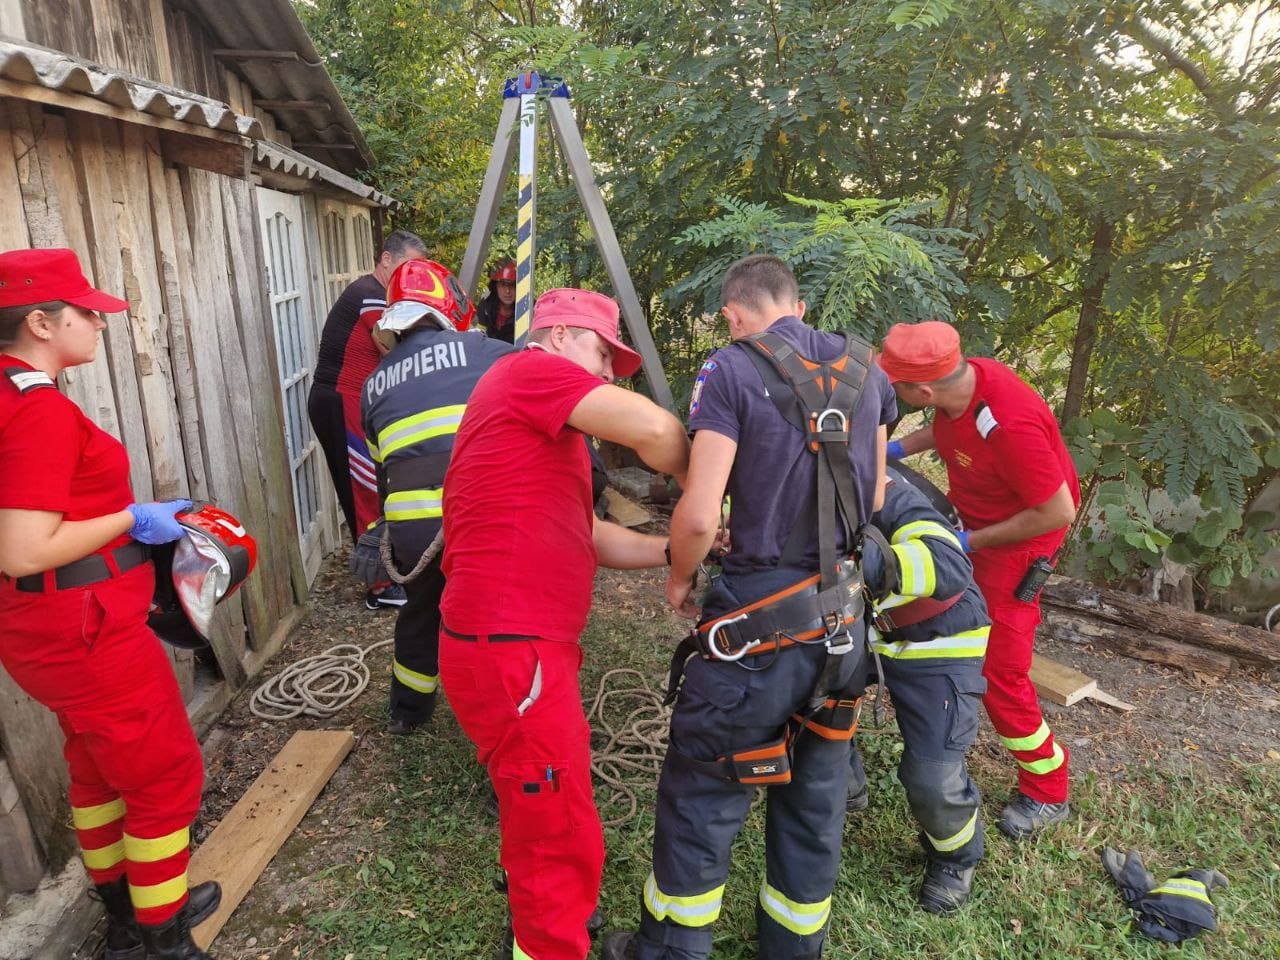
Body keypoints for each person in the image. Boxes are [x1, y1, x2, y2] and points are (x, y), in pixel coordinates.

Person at [605, 254, 896, 960]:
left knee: (703, 792)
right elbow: (875, 497)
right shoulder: (870, 370)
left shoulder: (731, 368)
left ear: (734, 315)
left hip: (757, 636)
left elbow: (700, 514)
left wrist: (680, 578)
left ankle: (671, 951)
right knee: (815, 796)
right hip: (843, 628)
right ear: (797, 305)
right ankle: (792, 949)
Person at [438, 288, 690, 960]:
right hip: (512, 648)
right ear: (559, 335)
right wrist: (718, 467)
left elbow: (589, 534)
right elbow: (658, 433)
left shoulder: (544, 429)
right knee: (558, 830)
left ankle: (544, 919)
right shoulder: (531, 372)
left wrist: (673, 550)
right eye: (602, 352)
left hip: (519, 647)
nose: (607, 372)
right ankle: (549, 940)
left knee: (547, 811)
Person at [0, 248, 221, 960]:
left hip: (42, 630)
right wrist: (133, 518)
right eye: (86, 313)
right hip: (86, 631)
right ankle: (164, 937)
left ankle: (128, 917)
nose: (99, 324)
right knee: (163, 778)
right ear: (41, 322)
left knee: (96, 768)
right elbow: (23, 548)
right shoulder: (37, 410)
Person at [878, 320, 1080, 839]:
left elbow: (1058, 511)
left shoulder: (1010, 423)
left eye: (897, 386)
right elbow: (950, 429)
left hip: (1015, 547)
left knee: (1000, 669)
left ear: (924, 391)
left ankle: (1048, 788)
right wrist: (893, 451)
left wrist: (967, 543)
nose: (893, 392)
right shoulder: (965, 383)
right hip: (977, 522)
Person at [355, 258, 513, 734]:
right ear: (451, 305)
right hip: (480, 520)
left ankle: (408, 713)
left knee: (421, 611)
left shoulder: (372, 386)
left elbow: (385, 472)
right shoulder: (489, 352)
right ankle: (506, 714)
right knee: (500, 617)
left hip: (412, 533)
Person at [846, 467, 990, 913]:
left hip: (940, 636)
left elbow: (948, 564)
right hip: (860, 629)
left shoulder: (885, 488)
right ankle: (845, 785)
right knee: (809, 703)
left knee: (932, 777)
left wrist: (853, 564)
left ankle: (955, 858)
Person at [307, 229, 428, 610]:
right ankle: (379, 585)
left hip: (354, 401)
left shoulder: (381, 293)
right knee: (365, 490)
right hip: (340, 399)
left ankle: (384, 569)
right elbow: (392, 345)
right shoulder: (370, 293)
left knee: (373, 486)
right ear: (386, 259)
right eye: (407, 267)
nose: (411, 277)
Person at [475, 258, 518, 343]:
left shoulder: (528, 311)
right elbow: (477, 338)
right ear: (495, 287)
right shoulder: (485, 308)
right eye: (503, 285)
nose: (507, 291)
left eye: (512, 285)